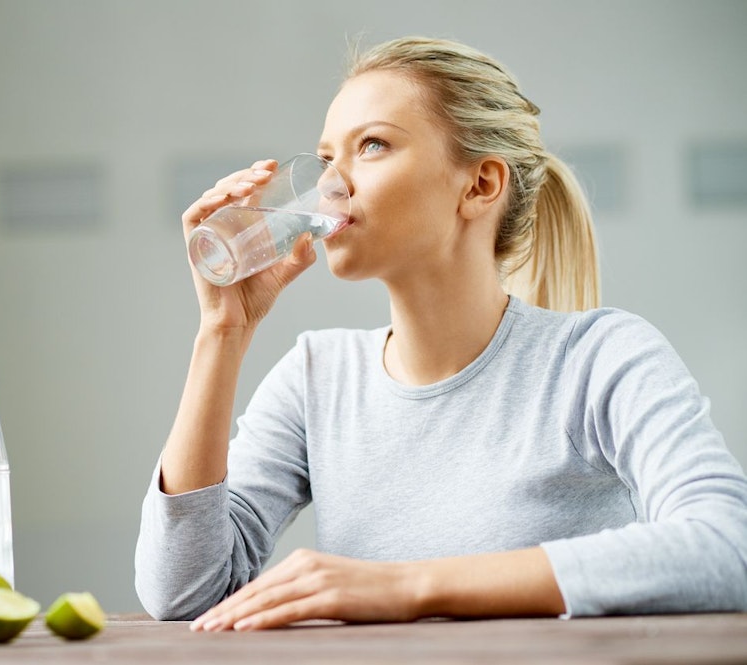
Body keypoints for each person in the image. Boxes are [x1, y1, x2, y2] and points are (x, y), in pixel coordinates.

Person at [134, 36, 747, 631]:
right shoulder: (316, 376)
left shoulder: (598, 360)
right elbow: (184, 592)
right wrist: (222, 329)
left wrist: (407, 586)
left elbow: (727, 547)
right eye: (326, 158)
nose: (328, 184)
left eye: (371, 145)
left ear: (480, 185)